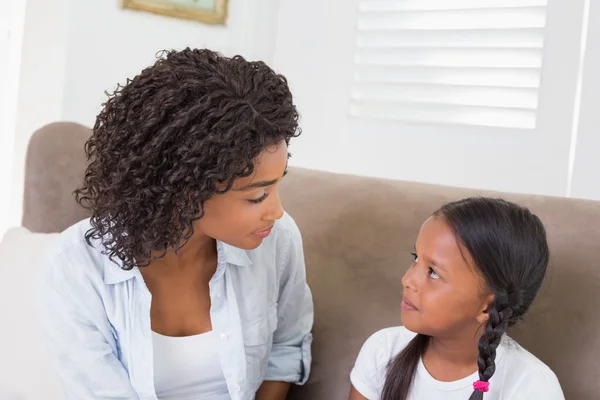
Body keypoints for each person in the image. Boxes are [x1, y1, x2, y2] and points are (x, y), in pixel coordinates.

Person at [41, 48, 313, 400]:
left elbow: (286, 346)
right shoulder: (75, 268)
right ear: (185, 191)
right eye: (256, 196)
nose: (276, 211)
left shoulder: (278, 239)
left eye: (278, 184)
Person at [349, 197, 564, 400]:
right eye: (416, 258)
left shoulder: (533, 387)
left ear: (487, 307)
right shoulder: (382, 351)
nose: (407, 279)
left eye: (433, 272)